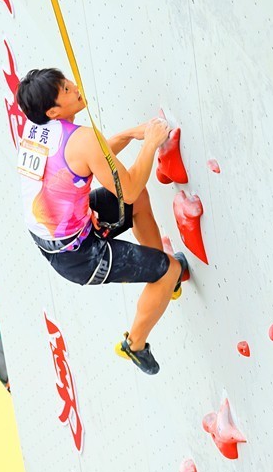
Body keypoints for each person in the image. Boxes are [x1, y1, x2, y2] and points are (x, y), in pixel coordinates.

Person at [15, 68, 188, 375]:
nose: (75, 88)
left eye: (69, 83)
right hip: (78, 255)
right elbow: (128, 184)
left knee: (139, 201)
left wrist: (125, 136)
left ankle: (160, 272)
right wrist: (149, 144)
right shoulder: (80, 138)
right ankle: (134, 345)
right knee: (169, 268)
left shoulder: (38, 128)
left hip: (65, 231)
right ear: (53, 110)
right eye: (67, 90)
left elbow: (88, 161)